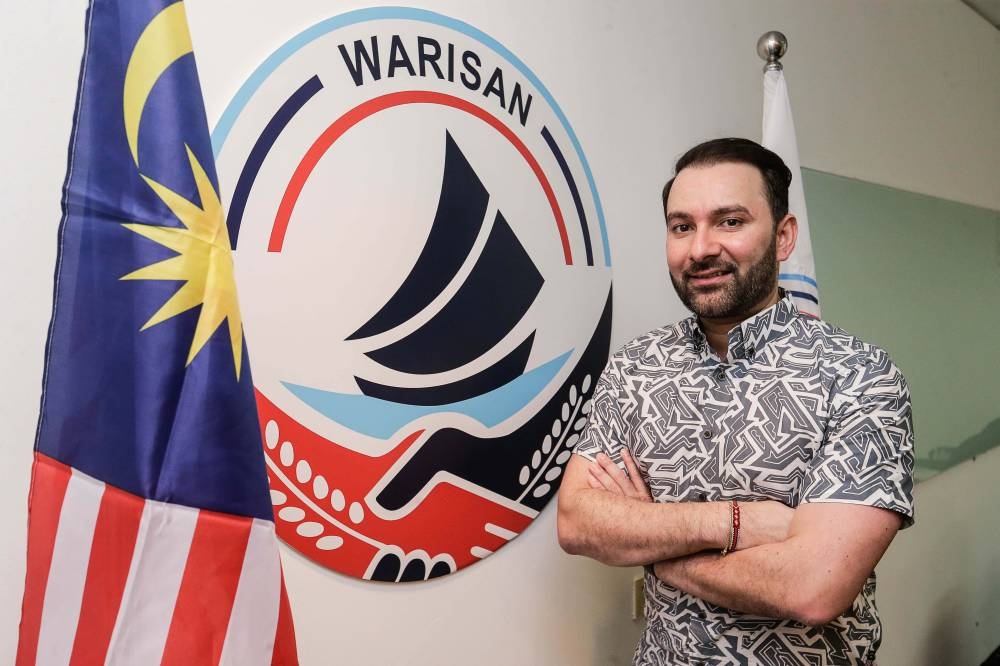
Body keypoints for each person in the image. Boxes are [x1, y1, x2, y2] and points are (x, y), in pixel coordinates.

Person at [557, 138, 914, 666]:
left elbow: (813, 587)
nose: (700, 248)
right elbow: (577, 521)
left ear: (785, 236)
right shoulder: (636, 366)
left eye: (729, 221)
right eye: (682, 226)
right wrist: (735, 523)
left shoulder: (860, 375)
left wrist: (659, 553)